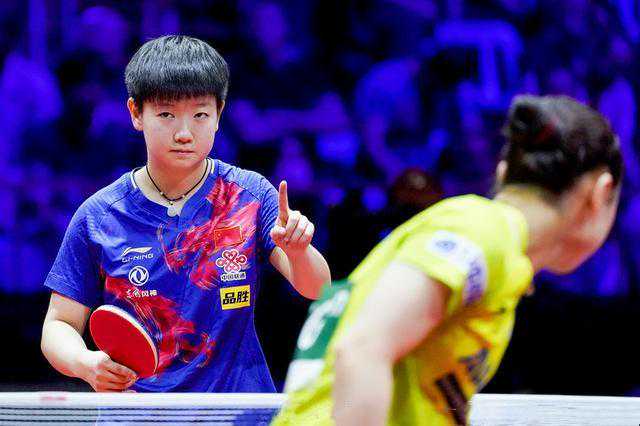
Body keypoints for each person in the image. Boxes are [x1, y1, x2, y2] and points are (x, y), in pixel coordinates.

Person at [273, 95, 622, 425]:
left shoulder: (499, 250)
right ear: (601, 192)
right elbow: (361, 350)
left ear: (503, 174)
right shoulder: (481, 231)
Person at [40, 35, 331, 393]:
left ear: (218, 114)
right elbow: (59, 325)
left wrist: (299, 251)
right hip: (138, 413)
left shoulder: (250, 195)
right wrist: (85, 363)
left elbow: (318, 289)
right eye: (166, 114)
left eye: (200, 115)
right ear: (136, 113)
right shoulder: (99, 216)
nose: (183, 133)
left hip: (236, 410)